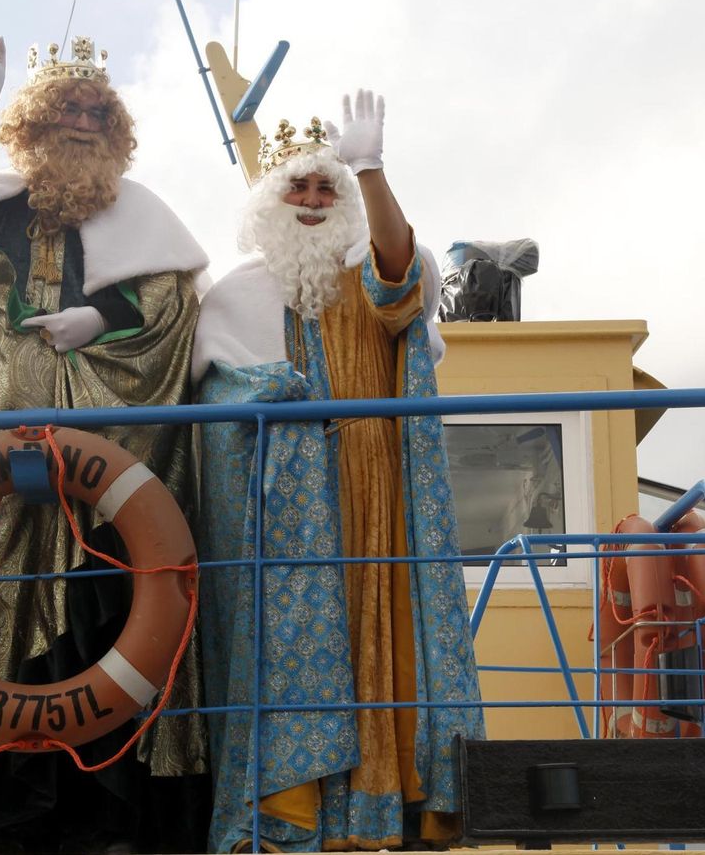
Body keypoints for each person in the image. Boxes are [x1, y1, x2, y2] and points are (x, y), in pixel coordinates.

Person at [0, 14, 210, 853]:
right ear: (33, 122)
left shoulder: (140, 218)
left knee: (102, 626)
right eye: (65, 108)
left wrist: (97, 318)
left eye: (97, 113)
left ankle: (102, 818)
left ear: (115, 132)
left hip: (103, 468)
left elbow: (169, 304)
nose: (81, 122)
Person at [191, 93, 485, 852]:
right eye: (300, 187)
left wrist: (371, 168)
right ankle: (297, 813)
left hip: (376, 486)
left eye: (329, 189)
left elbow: (399, 281)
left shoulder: (372, 267)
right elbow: (216, 393)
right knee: (293, 647)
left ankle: (385, 807)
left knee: (384, 639)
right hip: (286, 504)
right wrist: (268, 394)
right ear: (271, 199)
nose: (315, 203)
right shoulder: (235, 293)